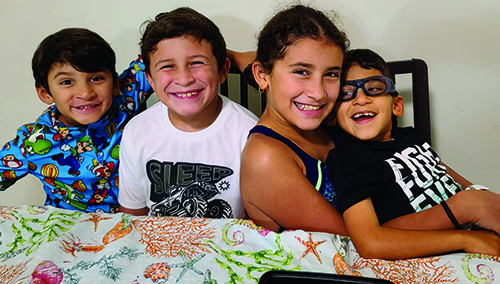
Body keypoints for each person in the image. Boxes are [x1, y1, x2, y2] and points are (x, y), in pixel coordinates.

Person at [326, 48, 500, 259]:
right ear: (332, 117)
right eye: (345, 94)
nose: (360, 99)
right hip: (440, 242)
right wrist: (465, 230)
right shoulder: (349, 159)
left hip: (473, 222)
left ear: (397, 106)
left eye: (374, 88)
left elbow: (440, 169)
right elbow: (370, 241)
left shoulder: (408, 136)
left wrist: (477, 194)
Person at [118, 7, 259, 218]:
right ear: (150, 79)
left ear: (222, 71)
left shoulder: (250, 133)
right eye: (167, 66)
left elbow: (261, 225)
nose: (184, 79)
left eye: (196, 63)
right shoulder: (137, 131)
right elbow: (132, 216)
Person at [0, 28, 152, 213]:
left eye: (96, 78)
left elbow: (160, 52)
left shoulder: (123, 98)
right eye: (66, 82)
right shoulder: (30, 143)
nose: (85, 93)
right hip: (70, 234)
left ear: (115, 84)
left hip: (136, 224)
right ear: (45, 93)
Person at [240, 4, 350, 235]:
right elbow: (351, 241)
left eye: (331, 74)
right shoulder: (266, 157)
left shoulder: (334, 121)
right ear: (262, 75)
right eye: (302, 72)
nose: (318, 93)